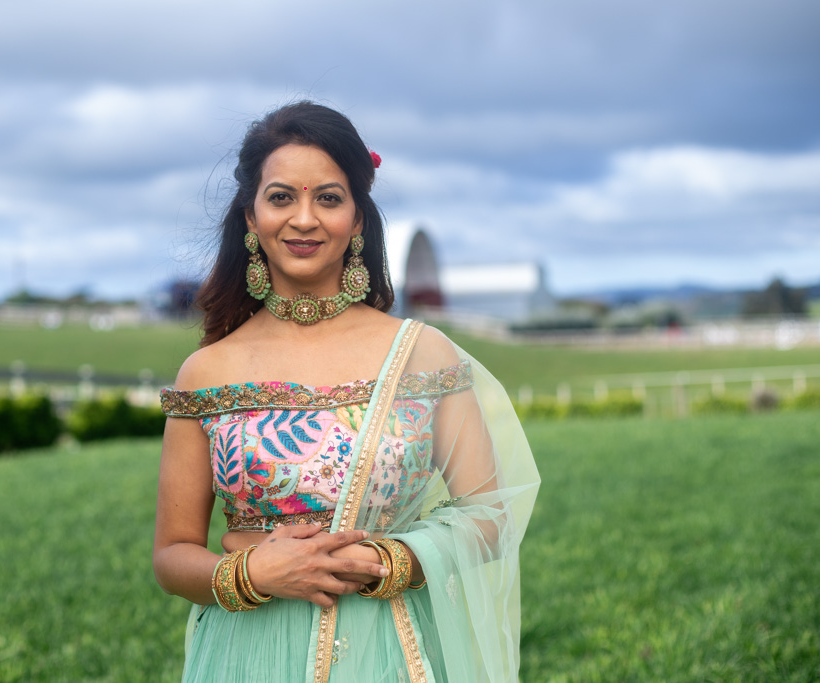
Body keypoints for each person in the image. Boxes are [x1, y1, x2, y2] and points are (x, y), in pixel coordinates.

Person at [154, 101, 540, 682]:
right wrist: (256, 575)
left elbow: (491, 513)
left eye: (329, 198)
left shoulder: (422, 353)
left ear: (358, 218)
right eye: (281, 196)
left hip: (392, 649)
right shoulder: (208, 372)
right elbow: (172, 554)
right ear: (251, 217)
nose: (304, 219)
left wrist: (387, 560)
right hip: (253, 655)